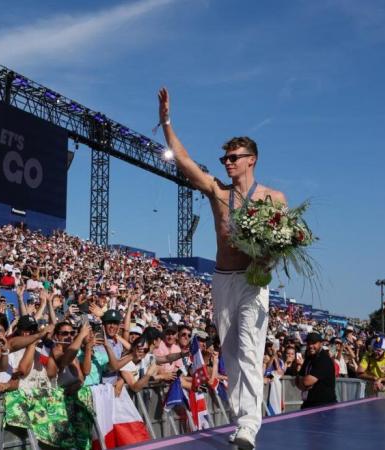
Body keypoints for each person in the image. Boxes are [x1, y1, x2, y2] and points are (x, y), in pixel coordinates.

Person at [159, 88, 286, 450]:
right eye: (224, 157)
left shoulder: (273, 199)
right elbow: (183, 161)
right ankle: (239, 421)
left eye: (233, 157)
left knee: (248, 347)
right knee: (230, 350)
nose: (227, 162)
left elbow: (284, 244)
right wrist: (166, 120)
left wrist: (268, 260)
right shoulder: (218, 192)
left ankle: (249, 424)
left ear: (252, 159)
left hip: (254, 280)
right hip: (222, 278)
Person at [295, 332, 336, 408]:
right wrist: (302, 382)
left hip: (323, 406)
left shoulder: (323, 359)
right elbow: (298, 380)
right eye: (308, 343)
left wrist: (302, 382)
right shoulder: (309, 357)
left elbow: (307, 381)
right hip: (308, 403)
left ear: (321, 344)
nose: (310, 346)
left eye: (313, 343)